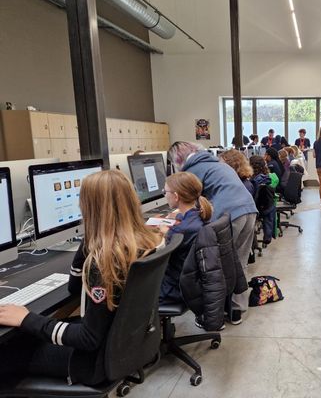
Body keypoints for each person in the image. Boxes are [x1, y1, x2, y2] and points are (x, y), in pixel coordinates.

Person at [0, 170, 163, 385]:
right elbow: (75, 289)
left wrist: (26, 318)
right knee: (29, 333)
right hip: (126, 345)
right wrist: (92, 238)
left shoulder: (104, 263)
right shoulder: (146, 242)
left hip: (92, 361)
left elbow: (88, 338)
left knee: (8, 351)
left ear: (90, 209)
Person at [168, 142, 257, 325]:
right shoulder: (216, 163)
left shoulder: (195, 169)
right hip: (249, 210)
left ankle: (213, 317)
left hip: (231, 213)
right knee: (239, 261)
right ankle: (236, 311)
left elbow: (188, 198)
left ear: (178, 159)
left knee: (213, 268)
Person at [158, 173, 214, 321]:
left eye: (165, 192)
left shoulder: (180, 231)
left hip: (175, 290)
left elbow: (162, 254)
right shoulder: (197, 215)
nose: (165, 196)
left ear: (176, 196)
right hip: (190, 284)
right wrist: (176, 219)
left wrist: (166, 233)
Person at [249, 156, 276, 245]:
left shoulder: (252, 182)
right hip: (267, 207)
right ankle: (267, 235)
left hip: (255, 209)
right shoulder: (266, 178)